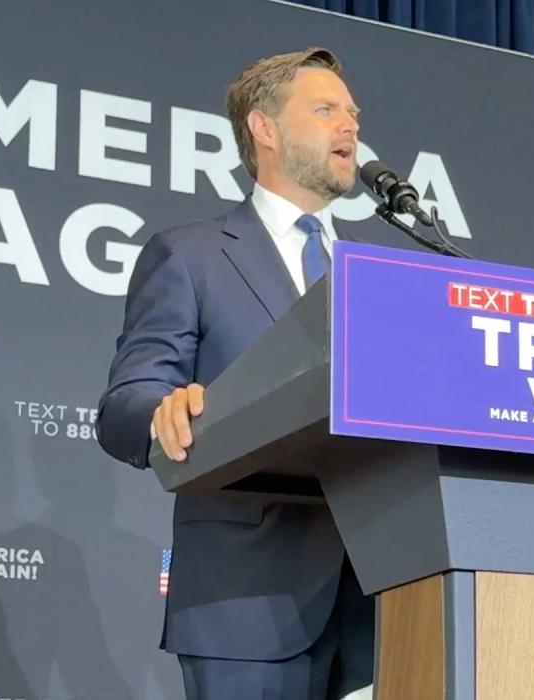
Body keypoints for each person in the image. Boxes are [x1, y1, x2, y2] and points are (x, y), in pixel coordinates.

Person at [97, 48, 373, 700]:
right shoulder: (190, 255)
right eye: (327, 109)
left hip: (380, 599)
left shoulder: (376, 276)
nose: (351, 127)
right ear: (265, 128)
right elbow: (126, 402)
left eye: (354, 114)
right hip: (247, 605)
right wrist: (163, 412)